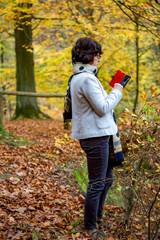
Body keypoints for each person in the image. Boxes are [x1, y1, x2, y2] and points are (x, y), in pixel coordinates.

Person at [70, 37, 123, 238]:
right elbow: (102, 108)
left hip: (100, 134)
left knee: (107, 179)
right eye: (97, 55)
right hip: (96, 137)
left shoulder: (82, 76)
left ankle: (97, 217)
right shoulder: (86, 79)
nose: (99, 59)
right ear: (89, 56)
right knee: (97, 182)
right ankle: (90, 226)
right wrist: (117, 92)